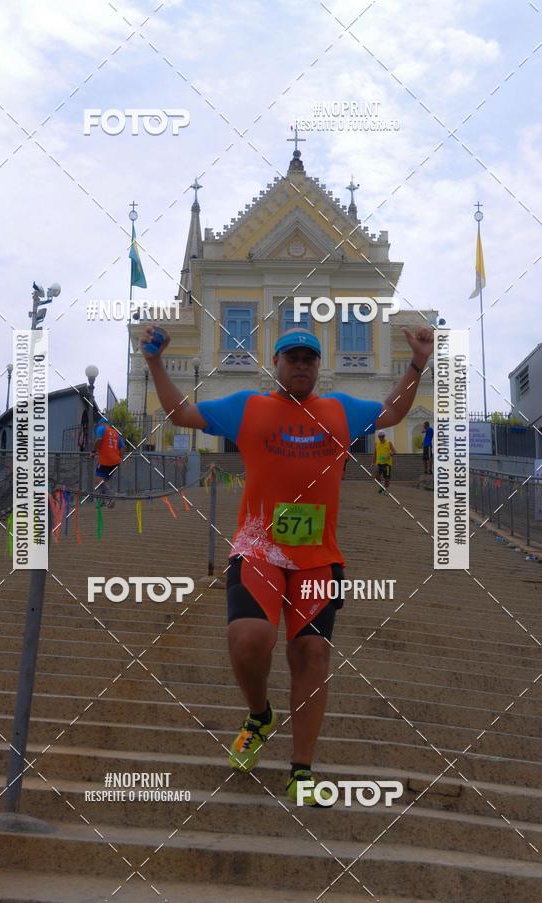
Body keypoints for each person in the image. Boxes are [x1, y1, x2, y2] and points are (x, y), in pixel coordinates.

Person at [140, 322, 433, 804]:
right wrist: (153, 361)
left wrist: (418, 361)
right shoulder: (248, 407)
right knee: (250, 637)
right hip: (258, 548)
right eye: (292, 358)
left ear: (318, 366)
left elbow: (395, 410)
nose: (300, 365)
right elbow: (181, 413)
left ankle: (301, 769)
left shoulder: (340, 410)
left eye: (308, 359)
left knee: (312, 654)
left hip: (317, 558)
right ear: (275, 363)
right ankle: (259, 715)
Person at [93, 415, 125, 507]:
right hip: (115, 461)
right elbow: (123, 448)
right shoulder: (116, 433)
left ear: (102, 423)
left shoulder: (101, 428)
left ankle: (111, 496)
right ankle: (103, 501)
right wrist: (120, 458)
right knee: (103, 481)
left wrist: (93, 451)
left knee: (98, 480)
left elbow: (99, 440)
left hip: (105, 459)